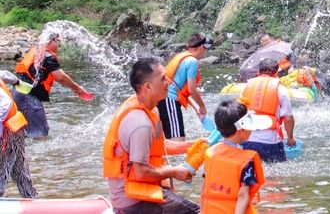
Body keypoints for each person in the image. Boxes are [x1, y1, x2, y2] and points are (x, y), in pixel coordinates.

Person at [103, 57, 199, 214]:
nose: (168, 81)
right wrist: (174, 171)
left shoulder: (149, 109)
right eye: (163, 79)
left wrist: (196, 145)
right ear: (147, 86)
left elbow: (162, 146)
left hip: (142, 191)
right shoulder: (141, 123)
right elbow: (141, 173)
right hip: (133, 202)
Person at [14, 31, 93, 139]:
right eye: (58, 41)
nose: (59, 44)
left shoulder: (36, 51)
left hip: (19, 93)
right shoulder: (47, 56)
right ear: (51, 41)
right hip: (27, 97)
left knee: (26, 131)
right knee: (41, 134)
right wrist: (78, 89)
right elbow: (61, 78)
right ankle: (38, 156)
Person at [200, 100, 267, 214]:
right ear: (242, 128)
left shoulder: (210, 153)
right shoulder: (245, 160)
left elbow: (204, 189)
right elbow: (242, 195)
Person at [239, 58, 295, 163]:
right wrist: (290, 138)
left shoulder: (246, 87)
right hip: (270, 142)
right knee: (276, 175)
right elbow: (288, 118)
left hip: (247, 140)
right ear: (276, 73)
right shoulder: (281, 90)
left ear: (259, 72)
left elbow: (238, 113)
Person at [157, 33, 211, 141]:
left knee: (169, 139)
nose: (206, 51)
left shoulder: (182, 57)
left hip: (164, 99)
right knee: (178, 139)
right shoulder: (192, 62)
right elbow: (191, 89)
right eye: (205, 48)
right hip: (169, 100)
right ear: (201, 47)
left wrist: (197, 108)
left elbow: (181, 90)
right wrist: (202, 106)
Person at [0, 73, 37, 199]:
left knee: (3, 170)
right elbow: (5, 74)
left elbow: (6, 102)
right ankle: (32, 199)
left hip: (7, 132)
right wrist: (17, 82)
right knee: (19, 170)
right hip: (15, 128)